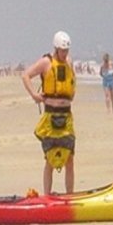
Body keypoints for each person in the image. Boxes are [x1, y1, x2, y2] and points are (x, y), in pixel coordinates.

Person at [22, 30, 76, 195]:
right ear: (56, 48)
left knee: (69, 159)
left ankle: (69, 195)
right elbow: (26, 75)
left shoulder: (69, 62)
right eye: (62, 50)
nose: (64, 54)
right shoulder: (46, 62)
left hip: (66, 117)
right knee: (50, 159)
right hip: (51, 117)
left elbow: (72, 82)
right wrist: (35, 95)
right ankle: (47, 195)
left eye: (67, 50)